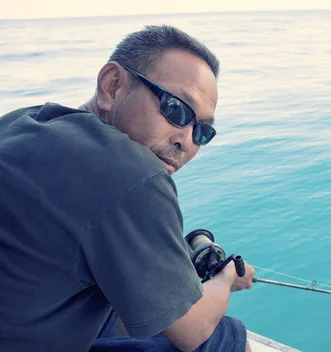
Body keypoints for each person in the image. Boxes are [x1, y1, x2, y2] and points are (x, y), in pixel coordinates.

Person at [0, 25, 256, 352]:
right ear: (113, 85)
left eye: (202, 132)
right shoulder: (132, 173)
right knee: (225, 340)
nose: (187, 140)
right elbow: (191, 333)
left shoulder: (23, 122)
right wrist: (227, 280)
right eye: (177, 109)